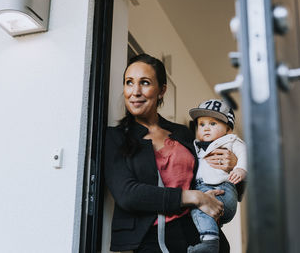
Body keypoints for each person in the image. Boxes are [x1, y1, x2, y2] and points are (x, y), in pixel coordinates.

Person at [104, 53, 238, 253]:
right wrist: (193, 197)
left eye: (145, 83)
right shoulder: (115, 137)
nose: (135, 91)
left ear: (161, 90)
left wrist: (232, 162)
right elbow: (127, 194)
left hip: (199, 236)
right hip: (149, 240)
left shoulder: (182, 133)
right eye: (129, 82)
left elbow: (208, 175)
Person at [187, 99, 247, 253]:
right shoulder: (196, 146)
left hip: (223, 191)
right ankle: (210, 239)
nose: (206, 128)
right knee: (200, 211)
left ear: (228, 129)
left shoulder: (230, 141)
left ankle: (210, 244)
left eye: (213, 124)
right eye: (202, 124)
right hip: (205, 189)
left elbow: (245, 154)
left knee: (198, 207)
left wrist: (239, 169)